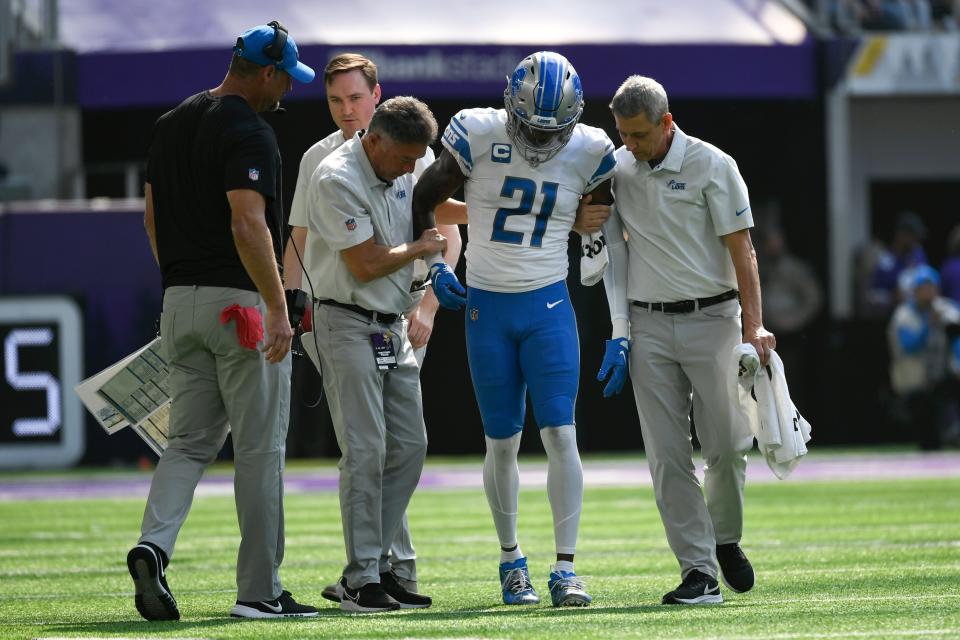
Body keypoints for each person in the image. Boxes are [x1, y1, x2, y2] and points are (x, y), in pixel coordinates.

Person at [411, 51, 616, 608]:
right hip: (489, 308)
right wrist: (434, 266)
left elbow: (608, 227)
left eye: (553, 132)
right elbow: (424, 199)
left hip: (548, 303)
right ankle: (511, 560)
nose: (541, 142)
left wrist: (618, 317)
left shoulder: (592, 150)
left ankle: (566, 568)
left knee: (560, 433)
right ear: (510, 106)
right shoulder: (477, 132)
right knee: (501, 441)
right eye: (531, 127)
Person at [130, 22, 318, 620]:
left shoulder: (170, 122)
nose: (287, 89)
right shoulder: (250, 129)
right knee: (260, 449)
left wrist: (181, 288)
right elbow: (247, 223)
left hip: (178, 301)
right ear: (265, 72)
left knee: (185, 444)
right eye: (285, 77)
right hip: (239, 306)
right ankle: (259, 593)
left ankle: (152, 545)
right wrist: (273, 304)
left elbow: (152, 220)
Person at [282, 52, 462, 603]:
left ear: (376, 100)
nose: (413, 170)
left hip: (394, 321)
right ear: (379, 143)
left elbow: (439, 211)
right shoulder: (329, 171)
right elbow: (360, 261)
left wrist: (503, 214)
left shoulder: (411, 158)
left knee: (408, 448)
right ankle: (369, 575)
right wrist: (292, 307)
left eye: (354, 98)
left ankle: (368, 570)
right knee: (365, 449)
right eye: (335, 100)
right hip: (345, 318)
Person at [599, 75, 775, 605]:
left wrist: (754, 324)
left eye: (639, 135)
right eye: (623, 134)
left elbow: (743, 252)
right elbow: (597, 226)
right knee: (667, 455)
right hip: (648, 324)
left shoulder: (713, 164)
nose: (630, 145)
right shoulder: (619, 166)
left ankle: (724, 539)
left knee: (726, 446)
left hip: (715, 319)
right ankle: (697, 569)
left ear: (667, 123)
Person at [887, 265, 960, 450]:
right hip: (916, 382)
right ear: (915, 291)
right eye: (923, 288)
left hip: (941, 376)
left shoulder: (945, 308)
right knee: (928, 437)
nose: (928, 293)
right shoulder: (904, 315)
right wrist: (929, 324)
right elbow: (909, 346)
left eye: (931, 287)